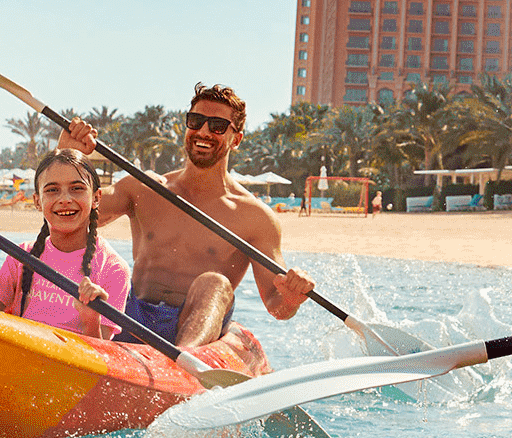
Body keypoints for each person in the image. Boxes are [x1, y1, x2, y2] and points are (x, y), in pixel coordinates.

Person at [53, 83, 316, 349]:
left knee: (215, 283)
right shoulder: (144, 187)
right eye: (196, 121)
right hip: (132, 312)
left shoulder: (254, 216)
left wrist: (292, 298)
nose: (203, 131)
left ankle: (183, 361)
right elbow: (69, 214)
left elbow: (276, 306)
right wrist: (65, 156)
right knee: (101, 261)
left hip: (194, 327)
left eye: (217, 126)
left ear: (236, 139)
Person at [0, 145, 130, 339]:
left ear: (96, 198)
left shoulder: (113, 269)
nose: (65, 199)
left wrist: (91, 321)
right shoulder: (22, 256)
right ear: (37, 201)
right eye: (53, 190)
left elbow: (101, 358)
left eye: (77, 188)